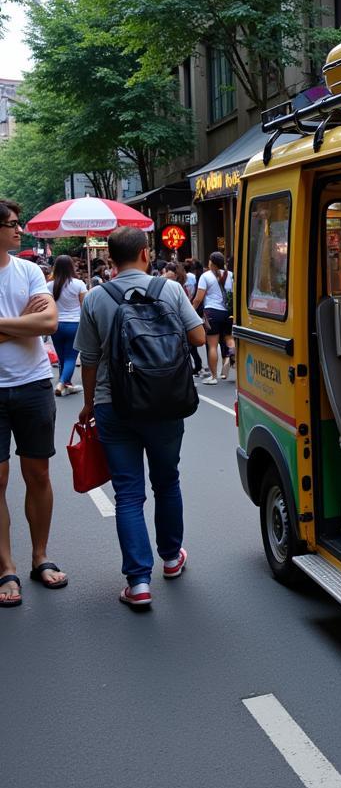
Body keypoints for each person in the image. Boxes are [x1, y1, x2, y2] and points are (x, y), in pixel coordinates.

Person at [75, 227, 205, 610]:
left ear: (110, 259)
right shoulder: (170, 290)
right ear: (147, 254)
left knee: (128, 493)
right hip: (164, 403)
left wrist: (88, 403)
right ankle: (170, 558)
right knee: (167, 481)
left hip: (112, 405)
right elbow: (198, 338)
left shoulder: (96, 297)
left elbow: (89, 359)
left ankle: (138, 582)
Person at [0, 200, 63, 608]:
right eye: (11, 224)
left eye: (19, 223)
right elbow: (32, 325)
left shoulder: (28, 272)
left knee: (37, 473)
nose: (19, 230)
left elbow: (48, 324)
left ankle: (40, 556)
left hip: (34, 384)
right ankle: (5, 566)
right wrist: (20, 323)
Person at [47, 254, 87, 396]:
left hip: (56, 325)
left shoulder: (49, 286)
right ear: (71, 267)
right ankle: (62, 382)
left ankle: (67, 384)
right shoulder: (79, 284)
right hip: (74, 324)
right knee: (71, 357)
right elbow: (85, 306)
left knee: (62, 356)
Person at [192, 251, 234, 384]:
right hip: (228, 313)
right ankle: (229, 358)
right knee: (227, 339)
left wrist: (192, 310)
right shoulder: (230, 275)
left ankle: (214, 376)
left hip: (212, 313)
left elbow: (198, 298)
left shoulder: (206, 276)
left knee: (212, 346)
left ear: (211, 262)